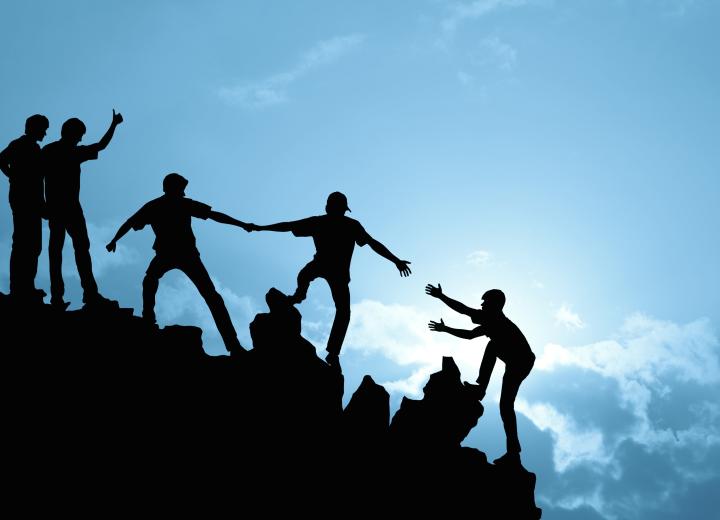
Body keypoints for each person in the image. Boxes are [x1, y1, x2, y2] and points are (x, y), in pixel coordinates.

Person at [249, 191, 411, 367]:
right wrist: (396, 260)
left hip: (328, 269)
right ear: (340, 209)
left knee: (313, 283)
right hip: (333, 270)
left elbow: (288, 226)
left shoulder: (328, 223)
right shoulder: (344, 224)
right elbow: (372, 243)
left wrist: (260, 227)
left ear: (328, 207)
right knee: (339, 308)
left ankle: (301, 300)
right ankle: (330, 349)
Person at [106, 173, 251, 355]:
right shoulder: (176, 204)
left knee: (154, 281)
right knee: (157, 281)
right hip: (178, 253)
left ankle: (233, 345)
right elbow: (132, 223)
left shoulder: (159, 205)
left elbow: (131, 223)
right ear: (174, 188)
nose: (183, 192)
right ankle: (233, 345)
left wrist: (115, 239)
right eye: (181, 188)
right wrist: (115, 239)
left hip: (180, 254)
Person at [426, 284, 535, 465]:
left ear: (494, 305)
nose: (482, 305)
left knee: (506, 405)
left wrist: (441, 297)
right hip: (517, 360)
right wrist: (446, 329)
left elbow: (463, 310)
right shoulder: (491, 322)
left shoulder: (494, 320)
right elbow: (469, 333)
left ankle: (513, 452)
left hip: (521, 361)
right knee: (492, 347)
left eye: (485, 302)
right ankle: (481, 388)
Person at [43, 110, 124, 309]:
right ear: (73, 133)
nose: (80, 139)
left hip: (62, 207)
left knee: (63, 250)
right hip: (65, 208)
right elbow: (101, 146)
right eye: (80, 135)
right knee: (69, 250)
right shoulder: (67, 152)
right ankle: (80, 295)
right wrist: (114, 125)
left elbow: (100, 146)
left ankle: (66, 296)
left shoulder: (51, 150)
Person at [0, 114, 50, 303]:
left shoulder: (36, 149)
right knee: (23, 243)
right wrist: (13, 176)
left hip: (34, 201)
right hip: (23, 199)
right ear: (34, 128)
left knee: (33, 244)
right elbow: (1, 160)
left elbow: (39, 180)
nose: (45, 133)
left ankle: (27, 285)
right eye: (43, 128)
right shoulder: (19, 144)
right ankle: (19, 288)